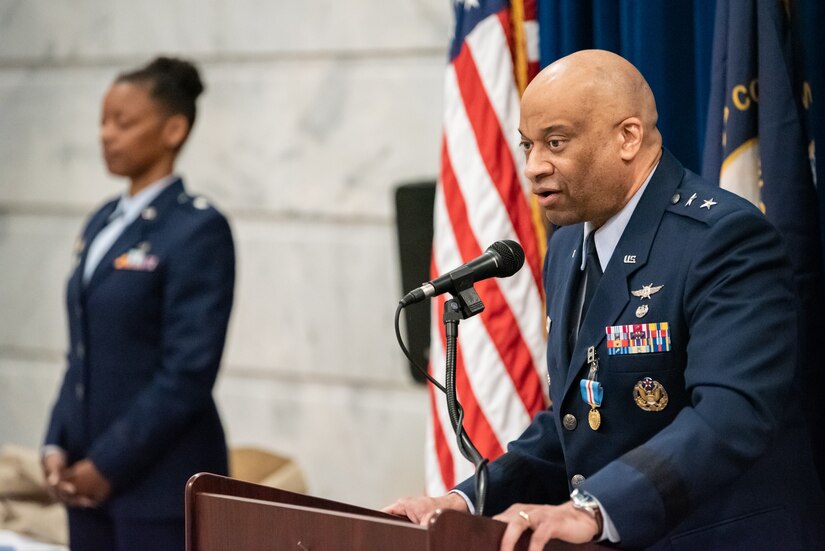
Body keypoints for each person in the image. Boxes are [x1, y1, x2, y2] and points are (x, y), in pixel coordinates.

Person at [385, 50, 825, 550]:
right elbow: (574, 420)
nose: (533, 167)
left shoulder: (724, 239)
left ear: (628, 137)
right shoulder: (571, 242)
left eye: (555, 142)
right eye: (527, 144)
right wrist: (465, 502)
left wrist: (597, 507)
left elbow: (728, 416)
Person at [41, 57, 235, 551]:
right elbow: (82, 352)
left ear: (173, 129)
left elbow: (188, 371)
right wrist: (56, 442)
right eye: (103, 121)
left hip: (158, 483)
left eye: (123, 123)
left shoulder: (196, 228)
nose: (107, 134)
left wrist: (107, 464)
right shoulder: (104, 221)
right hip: (85, 479)